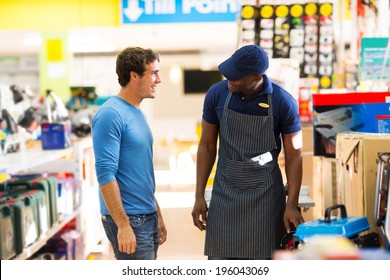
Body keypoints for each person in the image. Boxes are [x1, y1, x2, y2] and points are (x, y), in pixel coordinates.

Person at [191, 44, 304, 260]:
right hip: (225, 194)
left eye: (236, 75)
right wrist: (198, 196)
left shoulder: (283, 102)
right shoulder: (217, 94)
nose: (229, 78)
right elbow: (206, 146)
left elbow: (294, 154)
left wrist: (291, 205)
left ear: (257, 76)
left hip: (265, 198)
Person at [92, 47, 167, 260]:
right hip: (130, 219)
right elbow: (105, 174)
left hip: (146, 215)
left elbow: (141, 172)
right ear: (134, 76)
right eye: (153, 73)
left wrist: (157, 214)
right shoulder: (111, 114)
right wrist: (123, 225)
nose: (158, 80)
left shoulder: (136, 112)